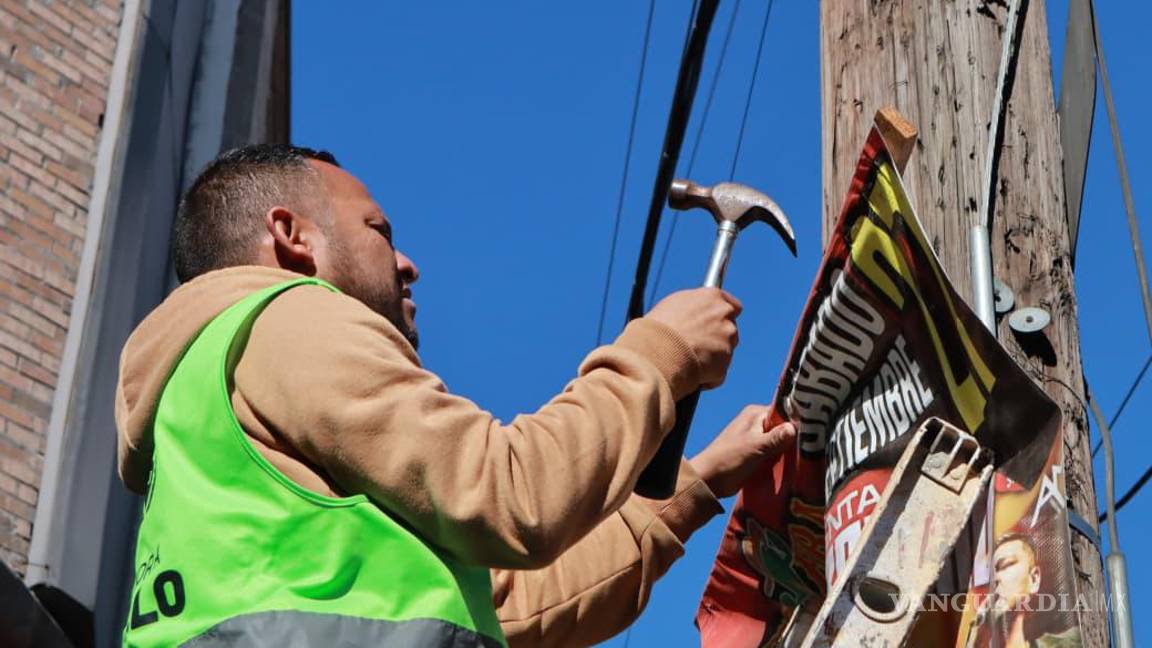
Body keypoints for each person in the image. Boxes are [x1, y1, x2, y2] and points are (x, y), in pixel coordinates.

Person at [114, 144, 796, 647]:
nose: (407, 263)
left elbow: (517, 607)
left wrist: (697, 483)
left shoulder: (214, 412)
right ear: (291, 237)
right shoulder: (287, 317)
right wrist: (663, 350)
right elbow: (512, 495)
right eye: (378, 232)